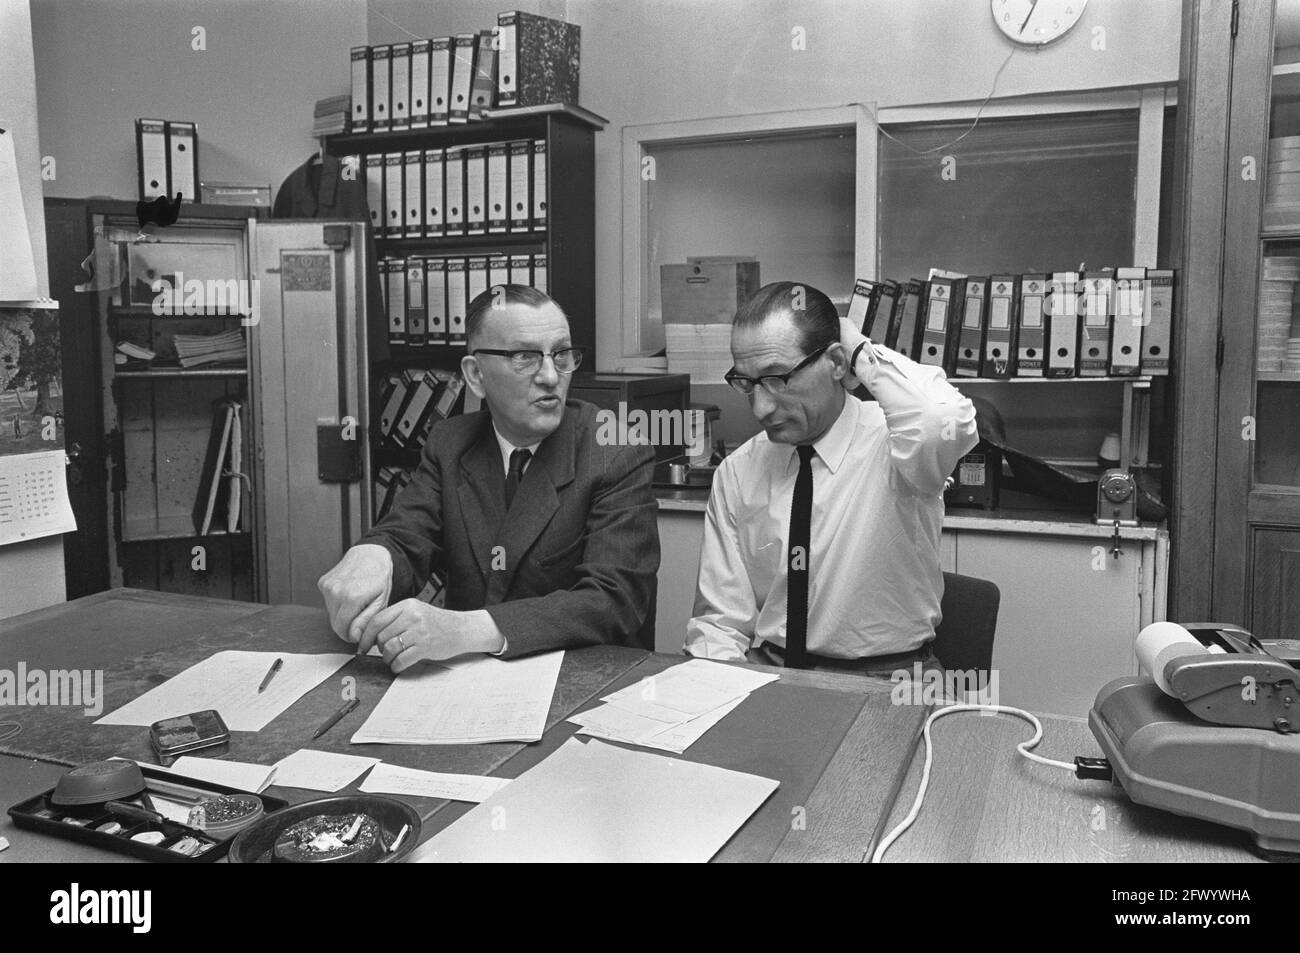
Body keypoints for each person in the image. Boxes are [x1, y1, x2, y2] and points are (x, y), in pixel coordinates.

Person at [318, 285, 659, 671]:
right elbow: (408, 534)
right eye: (525, 357)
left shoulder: (614, 449)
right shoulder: (451, 443)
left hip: (581, 684)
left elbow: (614, 599)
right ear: (476, 375)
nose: (551, 376)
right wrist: (374, 556)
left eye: (561, 354)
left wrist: (468, 629)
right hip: (468, 686)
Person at [685, 280, 978, 675]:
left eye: (777, 378)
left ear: (836, 364)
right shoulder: (738, 471)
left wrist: (860, 350)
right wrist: (711, 700)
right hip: (773, 673)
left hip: (892, 680)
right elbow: (719, 625)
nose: (761, 407)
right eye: (747, 383)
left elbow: (941, 416)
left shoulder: (899, 445)